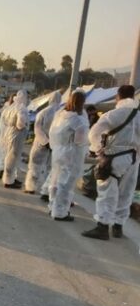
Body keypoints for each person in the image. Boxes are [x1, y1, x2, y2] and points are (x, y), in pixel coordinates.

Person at [82, 85, 140, 240]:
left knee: (107, 192)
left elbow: (94, 133)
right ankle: (118, 226)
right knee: (126, 192)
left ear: (118, 97)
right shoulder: (139, 115)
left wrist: (98, 149)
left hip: (114, 156)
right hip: (134, 158)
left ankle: (102, 226)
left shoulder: (113, 115)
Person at [47, 90, 89, 221]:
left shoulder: (60, 115)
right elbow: (79, 140)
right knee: (66, 184)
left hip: (58, 151)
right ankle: (60, 212)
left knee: (55, 180)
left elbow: (52, 133)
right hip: (71, 153)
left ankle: (52, 206)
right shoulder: (79, 119)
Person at [24, 91, 62, 195]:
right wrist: (54, 142)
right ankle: (46, 191)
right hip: (56, 144)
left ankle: (30, 187)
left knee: (35, 165)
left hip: (41, 144)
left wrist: (45, 141)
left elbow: (37, 128)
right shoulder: (62, 113)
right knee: (51, 168)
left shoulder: (43, 112)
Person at [2, 90, 29, 188]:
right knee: (13, 158)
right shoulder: (21, 108)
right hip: (17, 134)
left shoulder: (10, 107)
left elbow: (4, 119)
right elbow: (20, 124)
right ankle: (9, 181)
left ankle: (9, 178)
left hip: (9, 132)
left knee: (9, 156)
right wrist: (25, 126)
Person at [0, 94, 16, 179]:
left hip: (4, 136)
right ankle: (7, 176)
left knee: (3, 155)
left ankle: (2, 172)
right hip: (9, 136)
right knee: (9, 156)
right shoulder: (12, 110)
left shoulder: (6, 109)